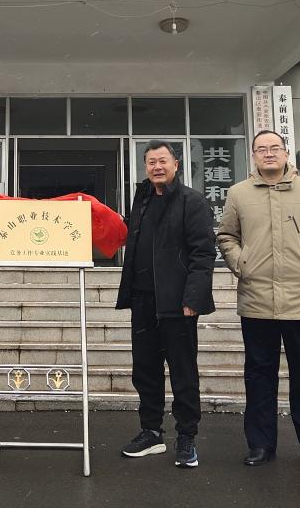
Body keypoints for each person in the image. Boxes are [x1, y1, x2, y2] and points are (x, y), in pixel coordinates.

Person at [217, 130, 300, 473]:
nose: (268, 153)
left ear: (286, 153)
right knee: (259, 375)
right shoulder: (239, 193)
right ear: (253, 156)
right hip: (256, 299)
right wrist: (241, 263)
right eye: (261, 149)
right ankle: (260, 444)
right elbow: (226, 235)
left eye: (274, 148)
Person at [116, 140, 217, 469]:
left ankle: (186, 436)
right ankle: (151, 432)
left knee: (183, 372)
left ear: (176, 164)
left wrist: (193, 298)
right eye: (151, 162)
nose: (157, 167)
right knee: (145, 370)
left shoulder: (192, 201)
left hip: (178, 303)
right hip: (143, 301)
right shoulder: (142, 199)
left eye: (163, 161)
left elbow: (203, 253)